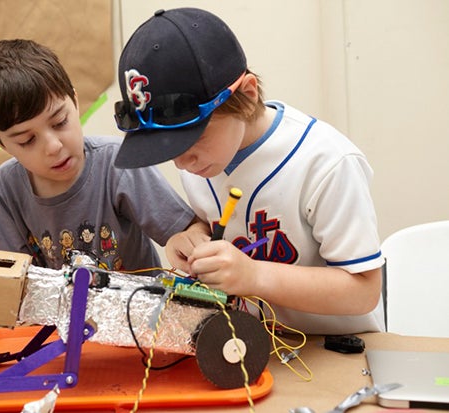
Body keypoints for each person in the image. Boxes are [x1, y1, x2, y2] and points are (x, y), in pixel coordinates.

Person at [113, 8, 385, 334]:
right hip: (249, 344)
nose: (182, 163)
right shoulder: (203, 162)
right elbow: (225, 222)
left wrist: (255, 276)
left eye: (191, 139)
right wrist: (191, 236)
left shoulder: (327, 162)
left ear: (247, 94)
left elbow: (364, 291)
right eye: (167, 148)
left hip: (338, 347)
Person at [0, 39, 196, 274]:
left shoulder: (117, 163)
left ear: (74, 102)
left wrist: (185, 241)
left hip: (136, 298)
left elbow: (191, 230)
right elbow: (3, 278)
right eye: (27, 140)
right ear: (1, 144)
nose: (53, 147)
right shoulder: (4, 190)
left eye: (60, 122)